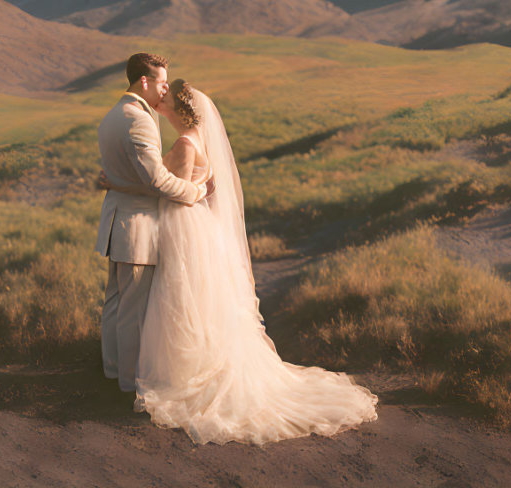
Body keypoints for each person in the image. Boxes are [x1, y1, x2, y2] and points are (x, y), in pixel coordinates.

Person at [101, 78, 378, 445]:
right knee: (195, 305)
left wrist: (119, 184)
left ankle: (170, 375)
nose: (160, 100)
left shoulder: (185, 143)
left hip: (183, 227)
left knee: (180, 303)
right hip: (198, 228)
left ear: (177, 110)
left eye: (166, 98)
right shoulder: (198, 137)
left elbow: (168, 192)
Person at [95, 53, 213, 394]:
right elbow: (158, 183)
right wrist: (195, 191)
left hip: (118, 223)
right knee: (132, 311)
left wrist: (116, 183)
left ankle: (112, 371)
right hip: (137, 228)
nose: (164, 90)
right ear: (143, 81)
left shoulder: (112, 115)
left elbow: (135, 177)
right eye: (161, 83)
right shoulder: (139, 120)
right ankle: (130, 385)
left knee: (116, 303)